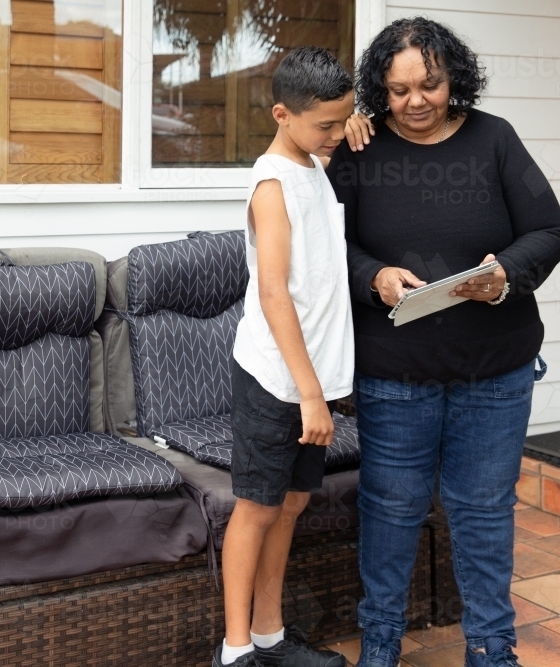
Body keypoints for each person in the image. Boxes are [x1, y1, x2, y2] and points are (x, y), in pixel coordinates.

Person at [328, 17, 560, 667]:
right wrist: (371, 275)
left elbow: (549, 230)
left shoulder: (495, 139)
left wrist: (504, 276)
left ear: (452, 78)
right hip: (394, 373)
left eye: (429, 85)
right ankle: (379, 644)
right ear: (380, 89)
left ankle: (491, 649)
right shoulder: (360, 147)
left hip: (496, 370)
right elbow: (324, 242)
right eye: (399, 89)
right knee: (391, 507)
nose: (415, 101)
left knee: (485, 511)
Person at [216, 46, 353, 667]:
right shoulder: (273, 185)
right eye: (325, 125)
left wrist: (351, 125)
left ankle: (270, 636)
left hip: (310, 378)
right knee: (258, 508)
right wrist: (311, 392)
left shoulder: (314, 163)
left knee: (293, 503)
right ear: (281, 114)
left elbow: (330, 135)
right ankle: (236, 649)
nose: (335, 134)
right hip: (278, 380)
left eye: (342, 121)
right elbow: (273, 293)